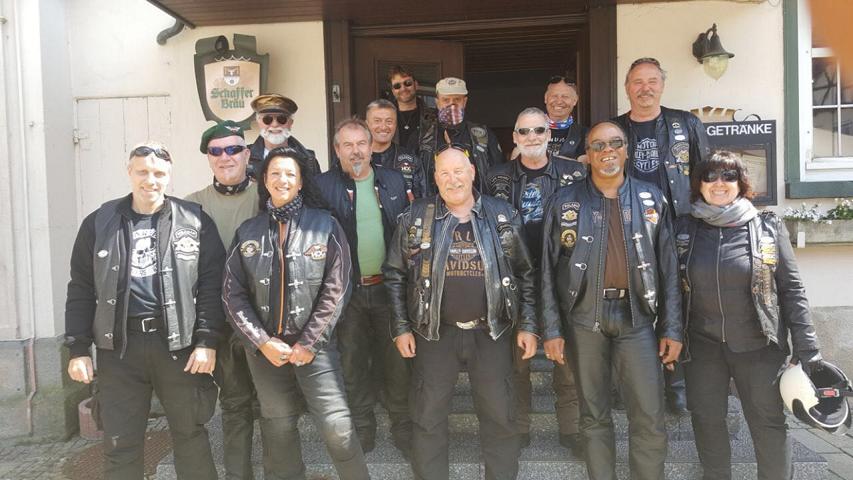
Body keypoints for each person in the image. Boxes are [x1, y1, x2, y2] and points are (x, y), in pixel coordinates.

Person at [65, 143, 224, 479]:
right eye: (142, 172)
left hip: (179, 347)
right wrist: (78, 349)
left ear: (169, 176)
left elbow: (213, 285)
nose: (150, 180)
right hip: (119, 349)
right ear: (129, 172)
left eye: (158, 173)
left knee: (191, 436)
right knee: (119, 442)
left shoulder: (194, 220)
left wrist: (207, 341)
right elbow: (81, 288)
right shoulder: (99, 222)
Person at [384, 146, 538, 480]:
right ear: (435, 178)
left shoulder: (502, 214)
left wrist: (528, 325)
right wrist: (401, 327)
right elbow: (395, 274)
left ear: (472, 172)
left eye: (458, 171)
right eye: (444, 173)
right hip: (434, 332)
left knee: (500, 414)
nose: (452, 180)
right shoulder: (416, 216)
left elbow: (525, 272)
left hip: (492, 330)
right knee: (427, 416)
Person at [540, 121, 683, 480]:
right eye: (598, 146)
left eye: (615, 143)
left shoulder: (652, 198)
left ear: (626, 150)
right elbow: (546, 271)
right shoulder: (564, 201)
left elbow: (669, 269)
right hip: (584, 319)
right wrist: (552, 330)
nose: (608, 151)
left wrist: (672, 327)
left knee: (649, 414)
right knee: (593, 415)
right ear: (587, 155)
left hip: (637, 319)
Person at [222, 147, 369, 480]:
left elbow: (338, 287)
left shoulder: (326, 225)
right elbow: (232, 294)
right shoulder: (248, 231)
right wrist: (261, 342)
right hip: (265, 352)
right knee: (279, 427)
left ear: (301, 181)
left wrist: (310, 342)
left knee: (337, 426)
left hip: (316, 349)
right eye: (275, 173)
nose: (282, 179)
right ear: (264, 180)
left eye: (290, 173)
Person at [676, 150, 823, 480]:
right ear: (699, 184)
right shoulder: (684, 228)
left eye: (729, 176)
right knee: (707, 421)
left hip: (759, 345)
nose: (719, 183)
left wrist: (807, 346)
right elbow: (671, 287)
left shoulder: (767, 226)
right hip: (702, 346)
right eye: (710, 176)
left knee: (767, 422)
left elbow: (792, 289)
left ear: (741, 183)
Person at [613, 57, 711, 414]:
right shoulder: (613, 128)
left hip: (678, 227)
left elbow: (707, 174)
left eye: (652, 81)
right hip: (627, 227)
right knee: (627, 304)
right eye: (638, 82)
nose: (645, 88)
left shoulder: (686, 123)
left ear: (662, 85)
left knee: (678, 303)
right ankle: (626, 385)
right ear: (627, 88)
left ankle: (677, 385)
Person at [486, 107, 586, 453]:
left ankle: (572, 429)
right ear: (514, 137)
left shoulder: (574, 173)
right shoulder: (495, 176)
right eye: (524, 131)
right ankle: (519, 428)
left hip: (563, 274)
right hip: (515, 276)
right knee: (518, 360)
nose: (532, 137)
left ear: (549, 135)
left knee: (567, 357)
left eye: (539, 130)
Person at [315, 118, 412, 457]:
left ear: (371, 148)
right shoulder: (321, 186)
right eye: (348, 145)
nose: (355, 151)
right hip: (348, 291)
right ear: (337, 150)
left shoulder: (393, 181)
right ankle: (362, 425)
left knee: (397, 361)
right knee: (353, 361)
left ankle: (402, 425)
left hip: (389, 289)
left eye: (361, 144)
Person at [185, 120, 259, 480]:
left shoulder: (267, 195)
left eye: (233, 149)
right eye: (216, 151)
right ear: (208, 157)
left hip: (264, 320)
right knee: (235, 403)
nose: (225, 156)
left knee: (277, 406)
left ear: (247, 153)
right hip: (220, 321)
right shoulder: (191, 206)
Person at [418, 76, 504, 195]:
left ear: (465, 102)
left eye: (457, 99)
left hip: (477, 203)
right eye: (446, 100)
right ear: (437, 103)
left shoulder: (483, 135)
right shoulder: (421, 137)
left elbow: (499, 173)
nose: (451, 104)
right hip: (434, 204)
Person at [247, 93, 322, 179]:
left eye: (281, 119)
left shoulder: (309, 160)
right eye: (267, 119)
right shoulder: (245, 157)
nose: (275, 124)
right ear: (259, 122)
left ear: (291, 122)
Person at [366, 99, 425, 198]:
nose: (383, 127)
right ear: (367, 124)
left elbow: (423, 200)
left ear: (396, 124)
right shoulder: (355, 159)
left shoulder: (411, 160)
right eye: (377, 121)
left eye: (389, 121)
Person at [387, 65, 435, 152]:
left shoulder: (433, 117)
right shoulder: (384, 118)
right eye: (397, 86)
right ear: (393, 91)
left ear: (416, 85)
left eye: (408, 83)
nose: (403, 88)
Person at [545, 76, 588, 160]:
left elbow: (583, 165)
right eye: (554, 96)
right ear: (546, 98)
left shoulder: (585, 134)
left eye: (565, 96)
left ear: (575, 100)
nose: (559, 101)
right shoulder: (528, 130)